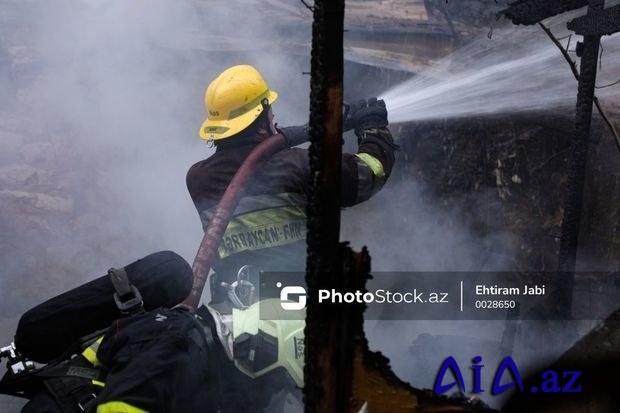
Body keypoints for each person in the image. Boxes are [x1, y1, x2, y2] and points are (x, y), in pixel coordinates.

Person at [186, 64, 397, 312]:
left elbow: (254, 150)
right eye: (270, 109)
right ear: (261, 116)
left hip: (232, 314)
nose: (274, 115)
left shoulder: (198, 179)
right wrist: (374, 131)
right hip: (297, 310)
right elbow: (370, 174)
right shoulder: (298, 166)